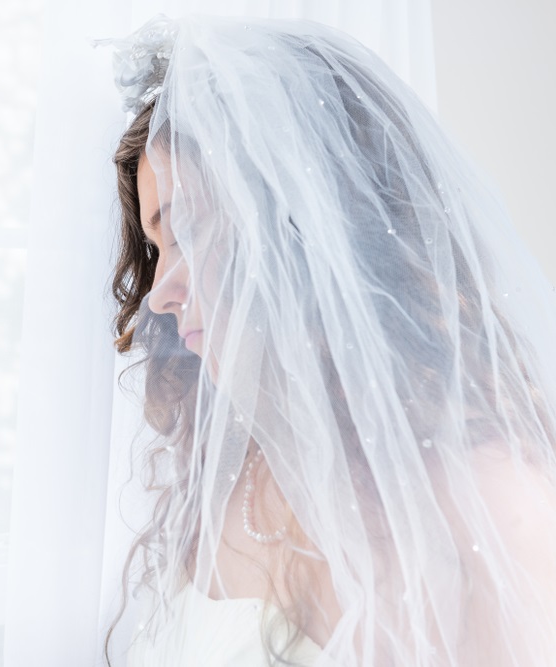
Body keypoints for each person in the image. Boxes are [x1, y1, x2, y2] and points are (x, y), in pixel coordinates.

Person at [102, 15, 556, 666]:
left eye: (189, 233)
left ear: (305, 229)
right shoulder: (225, 473)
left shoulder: (489, 503)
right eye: (155, 248)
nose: (158, 292)